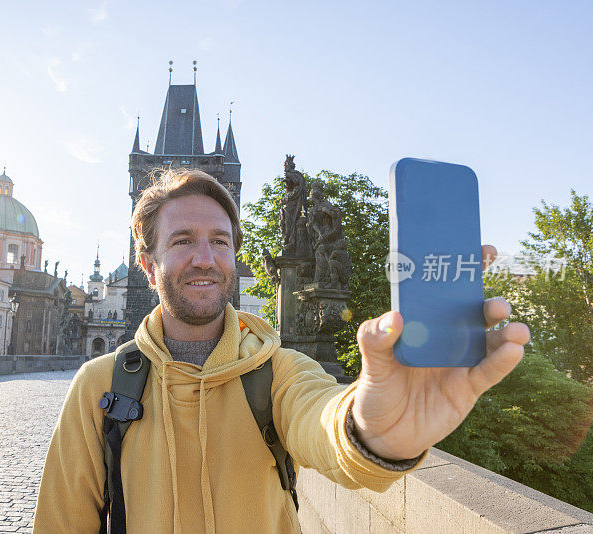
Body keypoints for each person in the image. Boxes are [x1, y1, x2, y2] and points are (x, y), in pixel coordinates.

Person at [32, 169, 530, 533]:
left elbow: (322, 420)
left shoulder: (279, 371)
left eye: (220, 242)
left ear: (234, 255)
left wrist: (375, 431)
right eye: (183, 240)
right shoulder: (99, 386)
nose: (205, 258)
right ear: (147, 262)